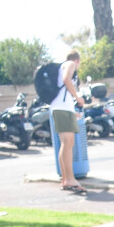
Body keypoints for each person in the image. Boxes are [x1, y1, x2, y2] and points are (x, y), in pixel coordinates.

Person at [50, 50, 87, 194]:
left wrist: (73, 111)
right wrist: (77, 97)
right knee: (68, 143)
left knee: (66, 143)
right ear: (77, 60)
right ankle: (70, 179)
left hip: (62, 109)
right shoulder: (70, 64)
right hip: (62, 110)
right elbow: (66, 80)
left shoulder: (63, 66)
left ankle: (65, 179)